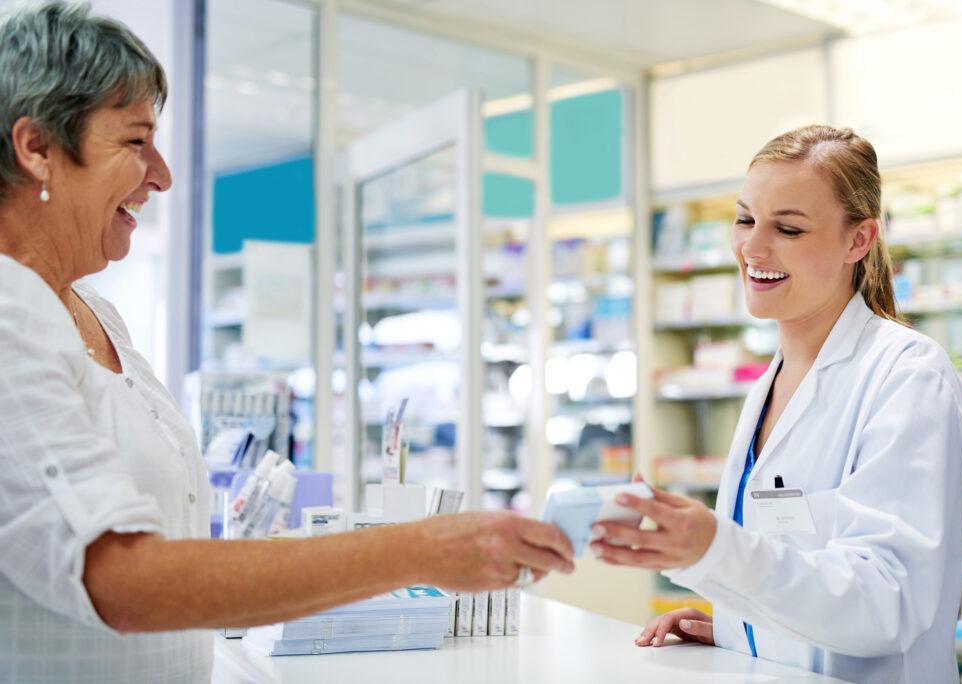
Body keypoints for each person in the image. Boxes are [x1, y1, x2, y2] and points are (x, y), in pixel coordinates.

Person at [0, 3, 574, 682]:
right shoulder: (9, 315)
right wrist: (418, 551)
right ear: (37, 148)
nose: (162, 175)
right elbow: (122, 578)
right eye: (135, 143)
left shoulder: (94, 312)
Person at [590, 125, 962, 684]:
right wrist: (739, 626)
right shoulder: (771, 383)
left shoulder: (907, 374)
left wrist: (717, 550)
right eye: (745, 219)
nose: (752, 248)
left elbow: (886, 605)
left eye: (787, 228)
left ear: (858, 241)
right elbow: (793, 564)